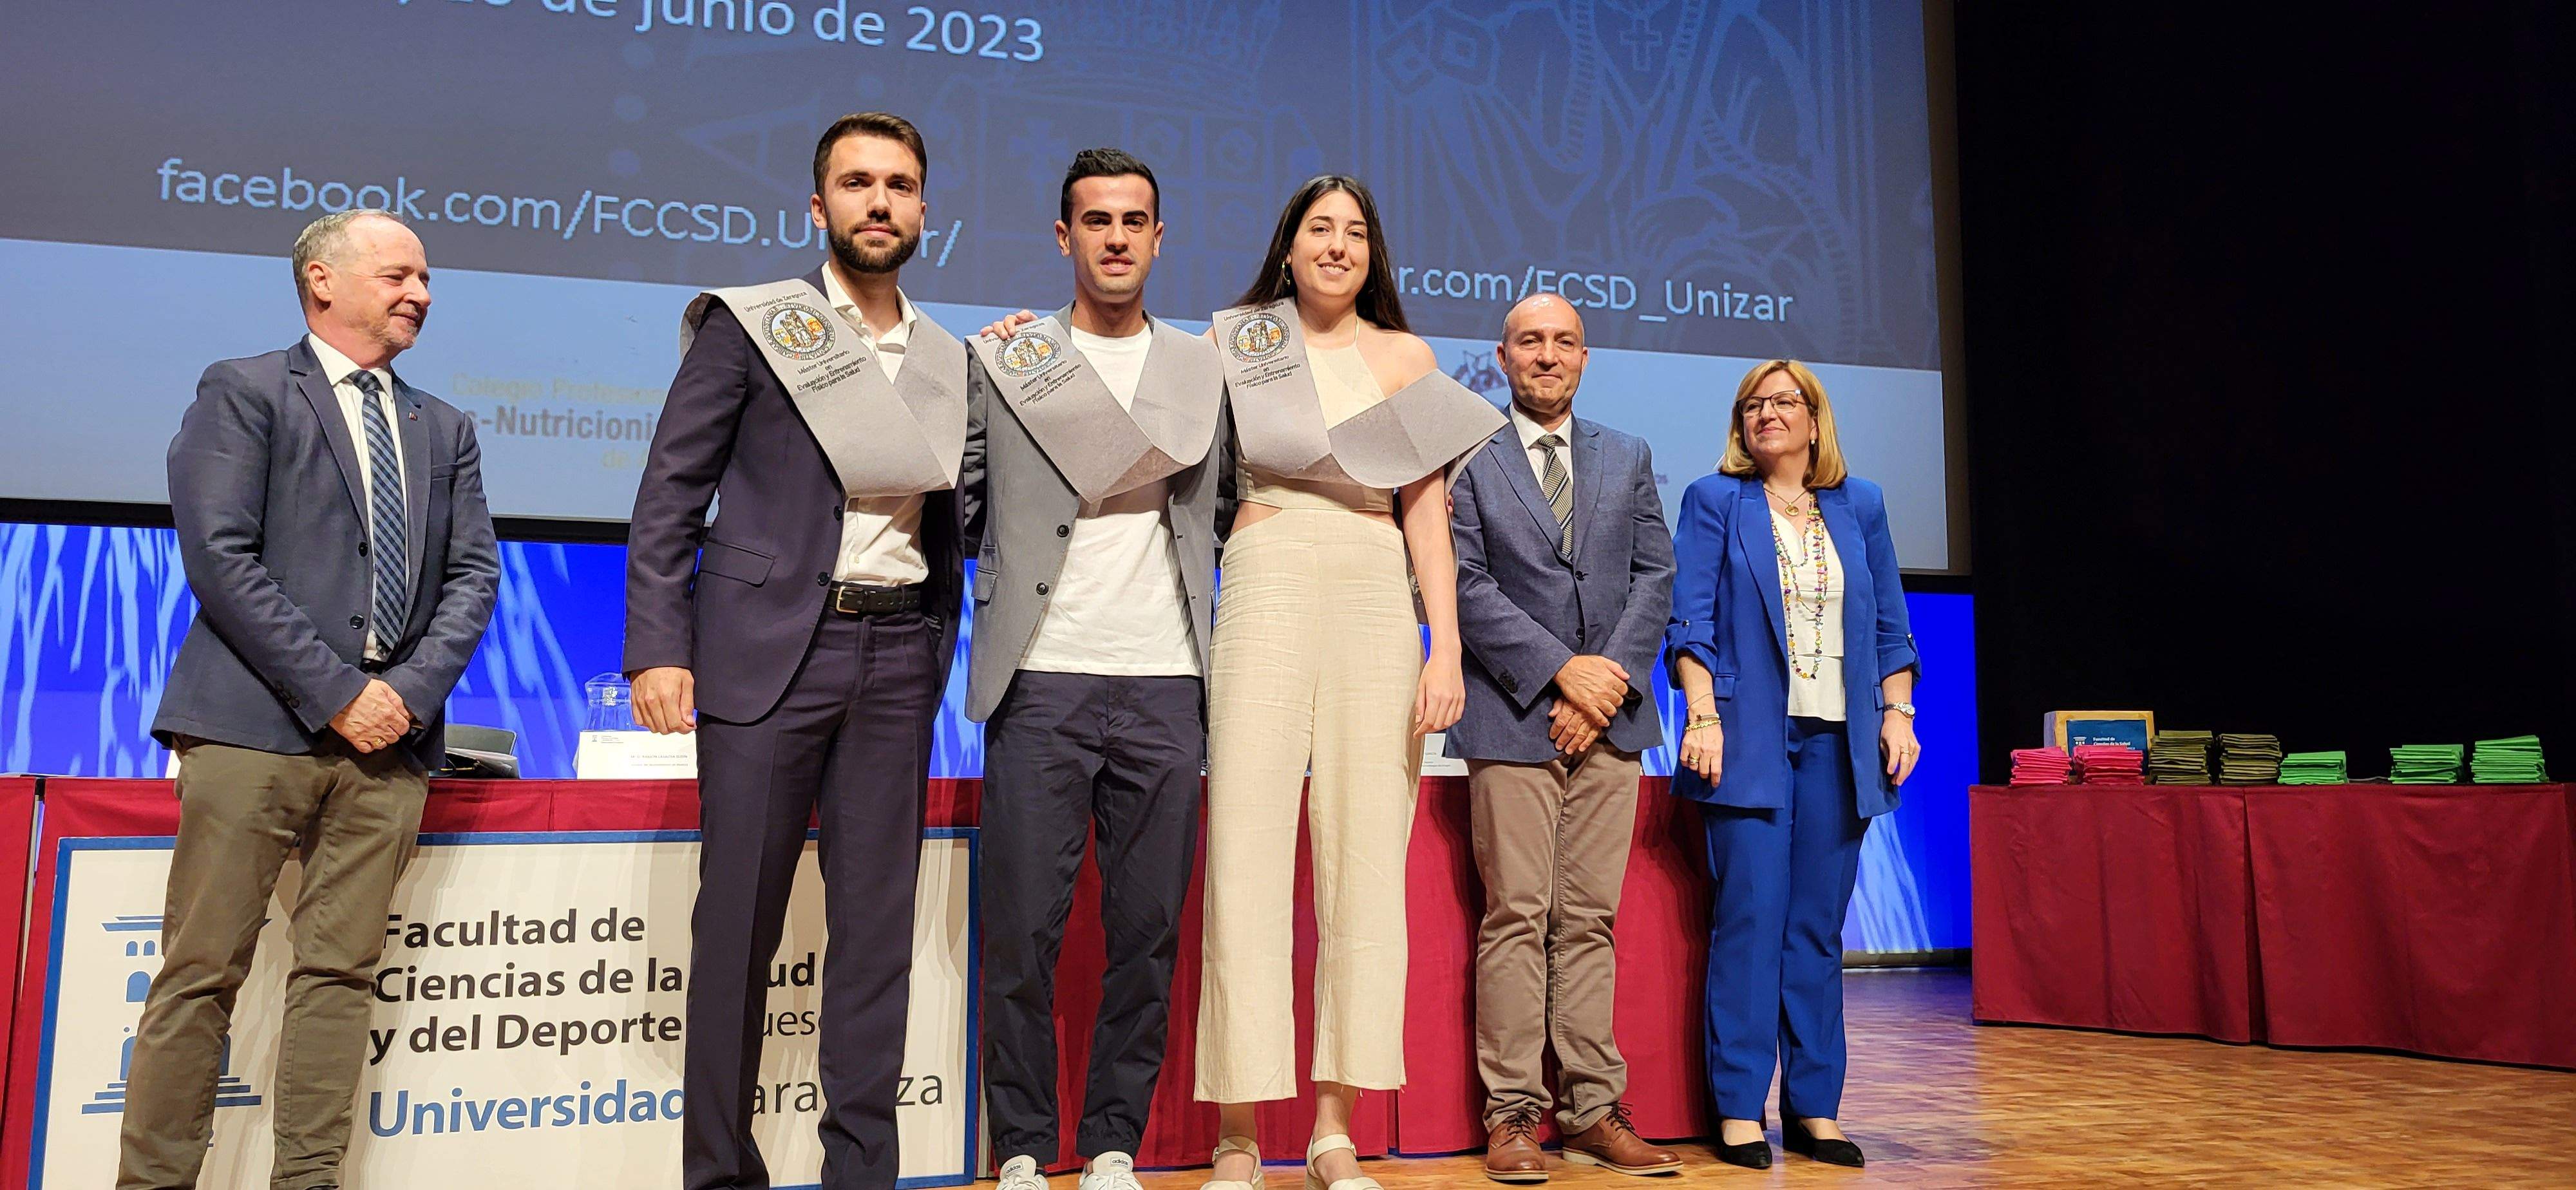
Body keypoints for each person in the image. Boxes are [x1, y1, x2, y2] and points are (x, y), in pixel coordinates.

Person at [623, 112, 967, 1190]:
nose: (880, 201)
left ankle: (859, 1174)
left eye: (899, 185)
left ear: (924, 211)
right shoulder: (757, 325)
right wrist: (655, 646)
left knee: (874, 941)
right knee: (737, 929)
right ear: (819, 208)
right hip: (767, 653)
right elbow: (672, 489)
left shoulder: (953, 357)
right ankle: (720, 1176)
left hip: (899, 655)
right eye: (858, 183)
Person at [125, 208, 499, 1189]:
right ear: (322, 281)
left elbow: (474, 579)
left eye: (425, 278)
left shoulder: (444, 425)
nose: (420, 292)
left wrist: (404, 699)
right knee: (201, 974)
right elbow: (221, 560)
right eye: (399, 275)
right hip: (252, 732)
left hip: (388, 751)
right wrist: (339, 693)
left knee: (341, 978)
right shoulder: (245, 390)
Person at [1195, 175, 1502, 1190]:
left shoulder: (1406, 356)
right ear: (1287, 246)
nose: (1337, 245)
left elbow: (1426, 512)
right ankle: (1238, 1131)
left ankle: (1335, 1128)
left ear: (1374, 252)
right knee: (1243, 848)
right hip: (1268, 573)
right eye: (1319, 229)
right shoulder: (1238, 338)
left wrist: (1445, 648)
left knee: (1366, 862)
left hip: (1377, 593)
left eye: (1355, 231)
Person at [960, 149, 1231, 1190]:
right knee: (1021, 933)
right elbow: (970, 506)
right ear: (1063, 237)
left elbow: (1231, 508)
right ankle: (1025, 1144)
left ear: (1160, 240)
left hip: (1169, 681)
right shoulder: (1010, 360)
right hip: (1044, 678)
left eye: (1135, 220)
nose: (1116, 236)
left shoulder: (1205, 370)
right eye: (1095, 219)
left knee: (1148, 932)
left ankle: (1114, 1138)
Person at [1444, 294, 1679, 1182]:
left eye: (1565, 342)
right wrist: (1558, 671)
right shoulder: (1467, 457)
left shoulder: (1629, 454)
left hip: (1612, 722)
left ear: (1586, 358)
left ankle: (1592, 1109)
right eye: (1531, 342)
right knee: (1516, 917)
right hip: (1510, 717)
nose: (1548, 356)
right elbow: (1462, 583)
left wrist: (1601, 679)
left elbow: (1655, 575)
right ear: (1501, 357)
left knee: (1588, 920)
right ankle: (1512, 1117)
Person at [1665, 360, 1921, 1171]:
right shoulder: (1715, 500)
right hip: (1745, 740)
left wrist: (1898, 710)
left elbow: (1889, 623)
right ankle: (1740, 1110)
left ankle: (1814, 1108)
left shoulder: (1861, 504)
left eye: (1783, 402)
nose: (1766, 414)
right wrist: (1701, 717)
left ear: (1816, 420)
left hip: (1837, 744)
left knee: (1814, 931)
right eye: (1752, 404)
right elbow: (1691, 624)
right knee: (1748, 924)